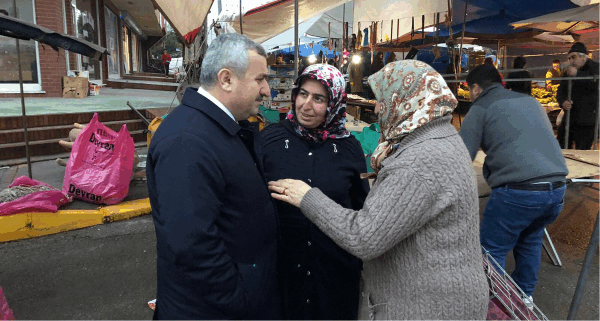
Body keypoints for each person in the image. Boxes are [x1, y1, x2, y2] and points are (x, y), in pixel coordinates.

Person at [268, 60, 489, 320]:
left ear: (405, 100)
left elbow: (364, 236)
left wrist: (307, 197)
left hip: (427, 306)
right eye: (302, 94)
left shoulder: (418, 162)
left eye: (383, 99)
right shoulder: (440, 136)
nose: (377, 107)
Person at [146, 33, 281, 320]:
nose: (267, 90)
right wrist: (240, 299)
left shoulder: (217, 127)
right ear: (227, 79)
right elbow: (192, 246)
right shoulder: (187, 141)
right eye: (260, 79)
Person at [260, 64, 370, 320]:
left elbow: (360, 210)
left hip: (334, 274)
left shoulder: (350, 148)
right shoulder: (271, 139)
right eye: (303, 94)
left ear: (334, 103)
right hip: (283, 273)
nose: (306, 105)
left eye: (319, 98)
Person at [459, 64, 568, 307]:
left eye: (469, 90)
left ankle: (494, 305)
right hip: (557, 188)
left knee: (491, 251)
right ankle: (523, 298)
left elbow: (460, 156)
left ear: (476, 88)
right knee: (529, 241)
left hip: (519, 191)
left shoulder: (480, 108)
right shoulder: (530, 102)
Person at [557, 42, 599, 150]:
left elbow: (594, 82)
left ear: (583, 57)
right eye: (569, 58)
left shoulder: (595, 67)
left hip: (587, 121)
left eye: (573, 57)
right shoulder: (568, 71)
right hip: (569, 118)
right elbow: (560, 91)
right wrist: (563, 102)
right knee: (561, 147)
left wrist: (577, 75)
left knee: (582, 151)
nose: (571, 61)